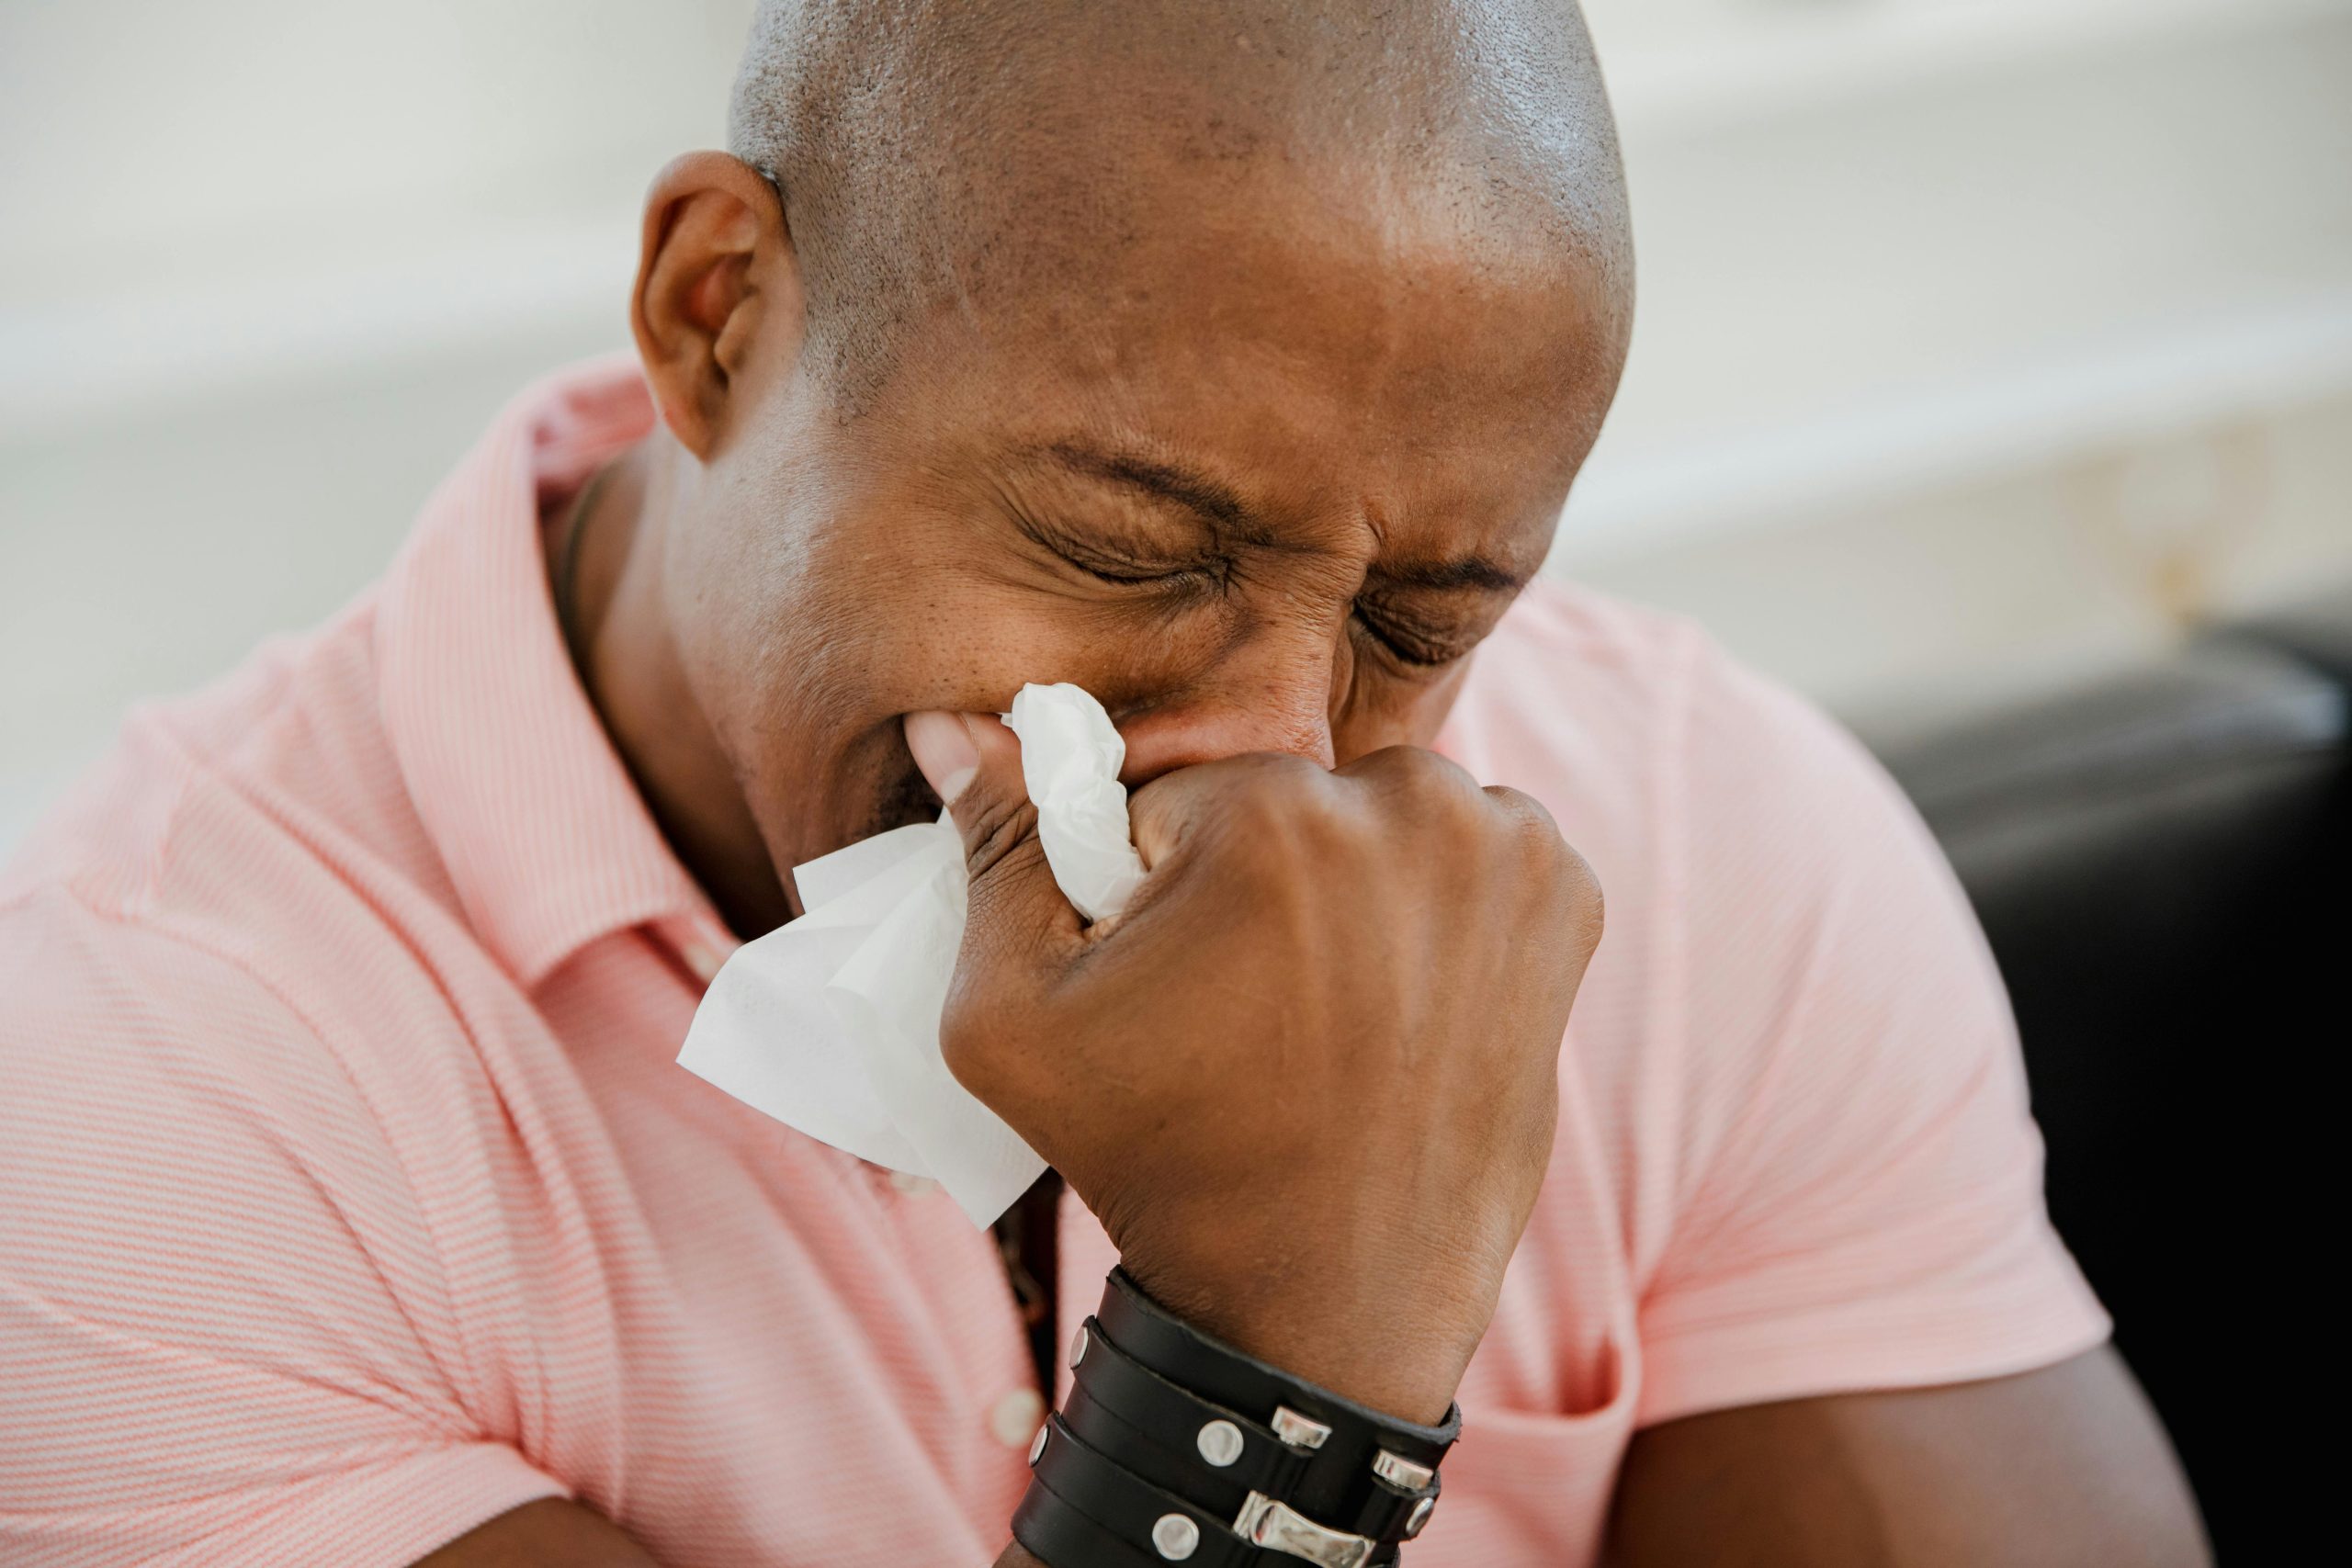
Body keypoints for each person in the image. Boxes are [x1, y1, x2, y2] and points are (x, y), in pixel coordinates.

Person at [0, 3, 2207, 1564]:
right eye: (1132, 549)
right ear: (716, 315)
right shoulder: (141, 1100)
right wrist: (1282, 1357)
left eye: (1421, 622)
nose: (1266, 747)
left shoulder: (1718, 850)